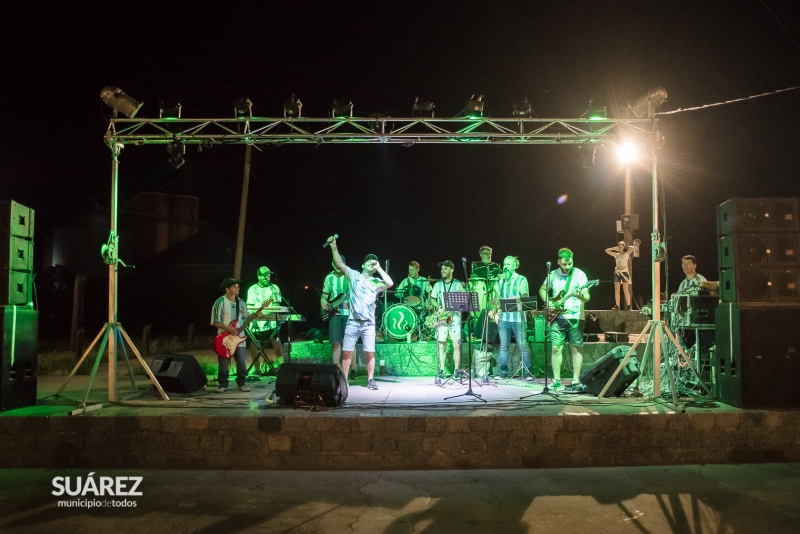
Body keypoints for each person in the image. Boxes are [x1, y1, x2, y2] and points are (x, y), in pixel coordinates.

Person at [327, 236, 392, 390]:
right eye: (369, 260)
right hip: (353, 321)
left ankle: (370, 380)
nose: (371, 262)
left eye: (374, 261)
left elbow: (390, 283)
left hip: (369, 323)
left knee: (370, 352)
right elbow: (339, 263)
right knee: (347, 352)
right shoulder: (354, 275)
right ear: (363, 264)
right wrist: (334, 246)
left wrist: (379, 268)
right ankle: (344, 380)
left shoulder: (376, 282)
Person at [539, 248, 592, 392]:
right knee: (556, 348)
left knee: (576, 348)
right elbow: (542, 290)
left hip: (575, 317)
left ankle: (575, 380)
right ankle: (556, 380)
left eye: (570, 263)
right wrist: (548, 301)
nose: (567, 266)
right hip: (556, 317)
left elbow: (587, 297)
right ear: (558, 262)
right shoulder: (552, 274)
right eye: (564, 264)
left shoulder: (580, 275)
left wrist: (580, 295)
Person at [211, 277, 255, 393]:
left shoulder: (241, 302)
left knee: (242, 361)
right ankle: (223, 384)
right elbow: (214, 322)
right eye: (235, 287)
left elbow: (246, 316)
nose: (238, 288)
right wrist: (227, 328)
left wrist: (256, 315)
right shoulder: (219, 302)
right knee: (224, 363)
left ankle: (242, 383)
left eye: (238, 286)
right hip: (224, 338)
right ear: (227, 289)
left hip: (239, 338)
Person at [494, 256, 534, 381]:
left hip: (518, 319)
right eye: (504, 264)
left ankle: (528, 372)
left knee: (523, 345)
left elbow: (525, 296)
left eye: (508, 264)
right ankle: (503, 372)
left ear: (514, 266)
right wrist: (494, 307)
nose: (505, 266)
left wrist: (516, 301)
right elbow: (495, 299)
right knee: (504, 346)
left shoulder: (521, 279)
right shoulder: (499, 282)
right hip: (504, 319)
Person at [429, 260, 466, 384]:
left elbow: (465, 301)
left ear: (451, 270)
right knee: (441, 344)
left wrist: (457, 306)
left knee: (456, 345)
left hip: (455, 317)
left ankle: (456, 370)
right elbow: (432, 299)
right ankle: (442, 369)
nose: (442, 271)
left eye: (445, 268)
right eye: (441, 269)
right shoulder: (438, 285)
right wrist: (438, 306)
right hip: (442, 318)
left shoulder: (458, 285)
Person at [320, 255, 355, 378]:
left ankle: (352, 370)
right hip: (334, 314)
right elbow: (324, 296)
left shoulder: (350, 276)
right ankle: (335, 369)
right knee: (336, 342)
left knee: (350, 342)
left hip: (349, 313)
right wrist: (323, 301)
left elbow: (353, 294)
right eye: (335, 263)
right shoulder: (329, 278)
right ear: (333, 264)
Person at [245, 266, 284, 374]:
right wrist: (256, 313)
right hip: (256, 322)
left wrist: (266, 313)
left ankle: (282, 366)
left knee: (276, 340)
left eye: (269, 275)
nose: (267, 278)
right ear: (258, 276)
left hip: (271, 321)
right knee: (254, 343)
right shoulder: (252, 289)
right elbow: (249, 306)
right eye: (264, 276)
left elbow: (277, 305)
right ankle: (257, 369)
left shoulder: (274, 288)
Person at [604, 239, 640, 310]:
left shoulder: (626, 253)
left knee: (625, 289)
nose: (620, 247)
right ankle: (617, 305)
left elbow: (634, 247)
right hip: (617, 272)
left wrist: (627, 246)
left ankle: (629, 305)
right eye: (619, 246)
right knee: (617, 289)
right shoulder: (616, 255)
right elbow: (606, 250)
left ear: (623, 247)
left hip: (624, 272)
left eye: (621, 246)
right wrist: (615, 248)